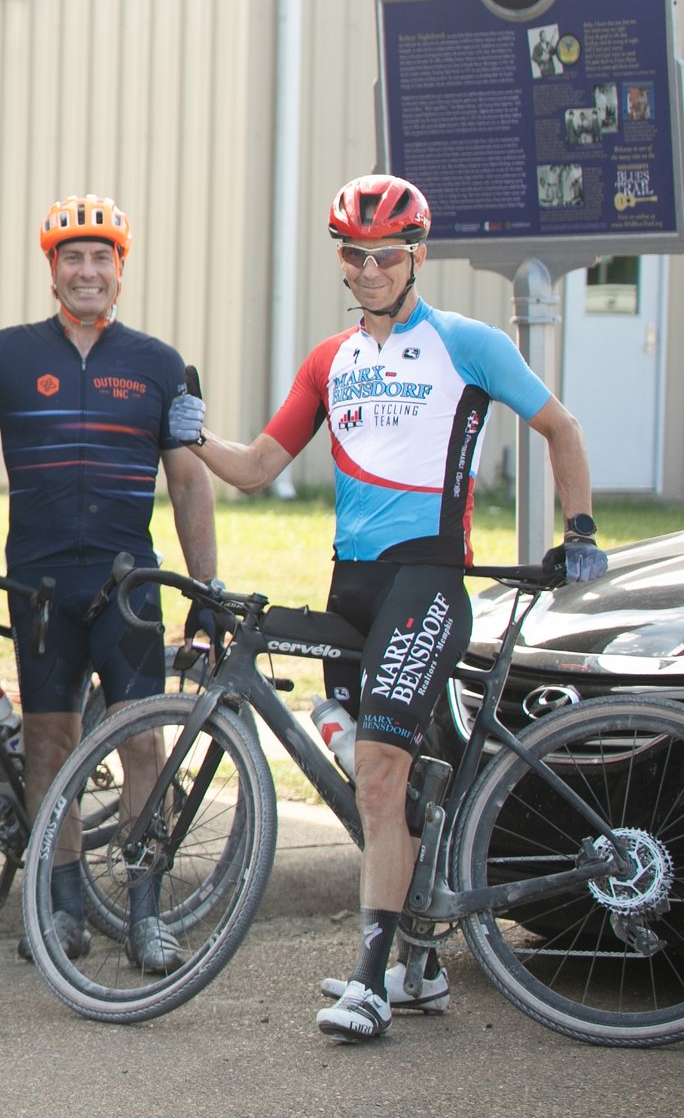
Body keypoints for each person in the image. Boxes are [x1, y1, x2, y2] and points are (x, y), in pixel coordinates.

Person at [170, 173, 603, 1042]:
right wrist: (189, 433)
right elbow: (258, 465)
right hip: (353, 586)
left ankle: (370, 983)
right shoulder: (330, 362)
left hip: (428, 580)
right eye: (355, 254)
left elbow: (558, 427)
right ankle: (422, 961)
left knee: (376, 770)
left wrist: (581, 527)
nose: (369, 269)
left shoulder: (465, 344)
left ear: (417, 256)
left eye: (386, 255)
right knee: (384, 773)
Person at [0, 195, 217, 970]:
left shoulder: (160, 365)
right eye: (72, 257)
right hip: (43, 590)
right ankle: (60, 909)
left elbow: (189, 485)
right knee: (52, 743)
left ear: (121, 270)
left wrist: (207, 589)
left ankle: (145, 913)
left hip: (130, 586)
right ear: (51, 268)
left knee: (144, 746)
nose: (87, 271)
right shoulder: (11, 354)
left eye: (101, 257)